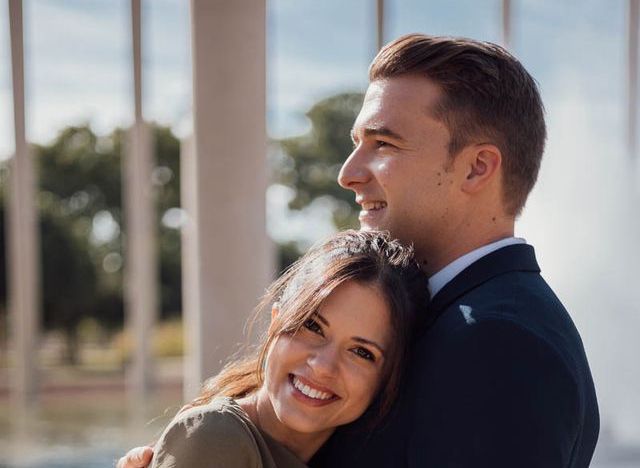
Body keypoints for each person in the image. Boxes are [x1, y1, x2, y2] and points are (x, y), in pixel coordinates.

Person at [120, 33, 600, 468]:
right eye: (357, 143)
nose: (348, 173)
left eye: (384, 143)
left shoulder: (498, 341)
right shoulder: (456, 317)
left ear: (477, 168)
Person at [123, 230, 427, 467]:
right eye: (312, 327)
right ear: (275, 321)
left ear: (388, 377)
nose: (323, 365)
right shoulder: (217, 438)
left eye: (362, 352)